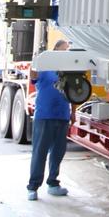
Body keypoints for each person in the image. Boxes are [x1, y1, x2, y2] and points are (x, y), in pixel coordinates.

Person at [27, 40, 74, 201]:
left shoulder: (68, 71)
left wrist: (73, 113)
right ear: (54, 51)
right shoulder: (45, 67)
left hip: (62, 115)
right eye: (62, 50)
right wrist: (35, 62)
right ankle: (33, 187)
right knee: (40, 152)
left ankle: (53, 183)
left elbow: (74, 92)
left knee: (58, 153)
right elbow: (33, 75)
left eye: (67, 51)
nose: (65, 53)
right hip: (45, 115)